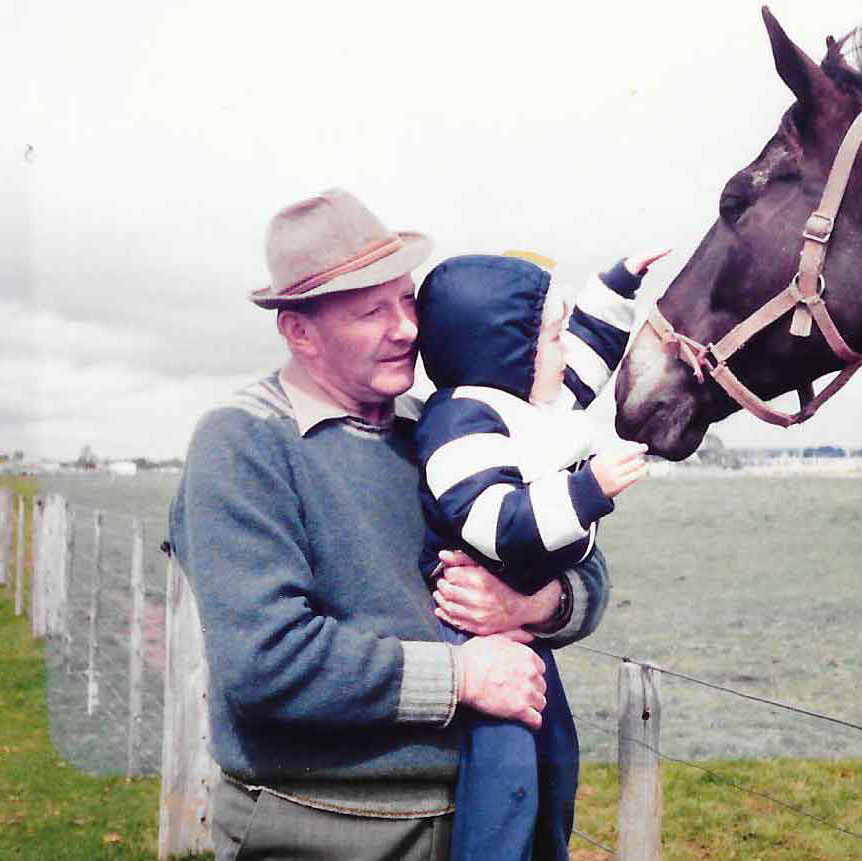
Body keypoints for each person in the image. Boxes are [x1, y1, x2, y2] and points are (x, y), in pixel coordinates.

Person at [168, 188, 612, 861]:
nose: (406, 327)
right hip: (313, 831)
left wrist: (534, 601)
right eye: (370, 311)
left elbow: (585, 567)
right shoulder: (244, 442)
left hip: (473, 825)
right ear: (298, 330)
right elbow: (266, 663)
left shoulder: (446, 424)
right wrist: (461, 676)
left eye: (407, 300)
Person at [414, 251, 666, 860]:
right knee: (504, 774)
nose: (563, 351)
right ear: (504, 353)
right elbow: (496, 523)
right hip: (472, 638)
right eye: (550, 338)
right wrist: (587, 490)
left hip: (519, 631)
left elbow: (586, 354)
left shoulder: (526, 400)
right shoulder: (458, 424)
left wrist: (618, 283)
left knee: (555, 761)